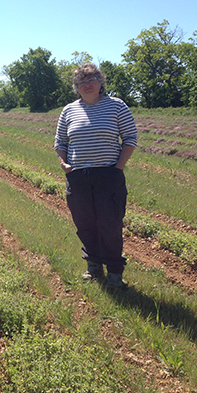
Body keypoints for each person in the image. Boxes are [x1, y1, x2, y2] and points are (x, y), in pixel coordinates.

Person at [54, 63, 137, 289]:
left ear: (100, 83)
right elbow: (60, 142)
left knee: (110, 224)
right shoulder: (69, 111)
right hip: (78, 176)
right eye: (82, 82)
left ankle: (115, 274)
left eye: (92, 79)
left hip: (108, 175)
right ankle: (93, 267)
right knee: (85, 223)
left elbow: (130, 137)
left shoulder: (117, 106)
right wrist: (63, 163)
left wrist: (118, 167)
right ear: (77, 87)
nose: (87, 84)